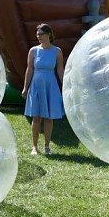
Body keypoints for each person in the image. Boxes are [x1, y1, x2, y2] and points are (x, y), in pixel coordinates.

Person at [22, 23, 64, 155]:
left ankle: (47, 146)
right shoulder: (33, 51)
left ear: (48, 34)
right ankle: (34, 147)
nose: (38, 36)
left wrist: (64, 86)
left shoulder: (57, 51)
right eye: (37, 34)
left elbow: (60, 70)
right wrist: (25, 87)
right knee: (36, 117)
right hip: (36, 85)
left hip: (50, 85)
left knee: (48, 117)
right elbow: (29, 69)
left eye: (41, 34)